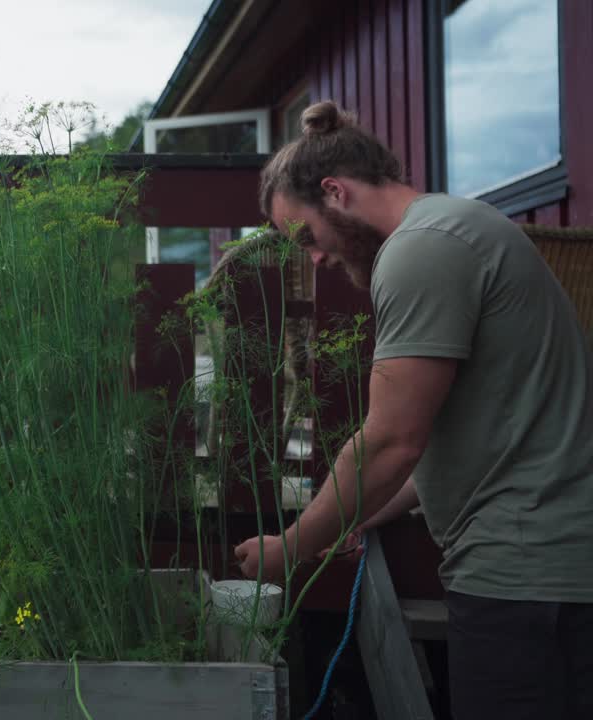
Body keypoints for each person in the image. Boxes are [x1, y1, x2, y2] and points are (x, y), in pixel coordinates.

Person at [234, 100, 593, 719]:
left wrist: (290, 548)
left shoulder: (422, 250)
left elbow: (391, 441)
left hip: (531, 577)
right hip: (542, 570)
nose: (312, 258)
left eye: (306, 237)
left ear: (335, 193)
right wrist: (359, 514)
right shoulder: (456, 229)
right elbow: (452, 438)